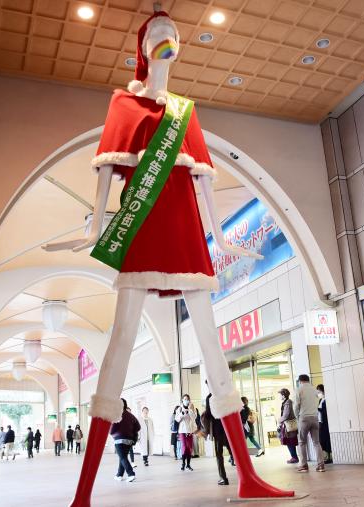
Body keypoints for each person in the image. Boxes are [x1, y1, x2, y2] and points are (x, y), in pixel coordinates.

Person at [50, 11, 293, 503]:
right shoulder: (124, 103)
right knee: (119, 344)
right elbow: (108, 168)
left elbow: (202, 176)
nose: (169, 38)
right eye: (159, 34)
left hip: (186, 233)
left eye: (175, 34)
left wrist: (219, 238)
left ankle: (248, 477)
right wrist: (96, 227)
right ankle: (82, 492)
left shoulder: (186, 110)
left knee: (213, 347)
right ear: (142, 48)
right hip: (144, 230)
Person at [294, 374, 325, 473]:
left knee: (302, 442)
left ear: (300, 381)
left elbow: (296, 406)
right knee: (316, 442)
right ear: (308, 380)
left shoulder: (299, 390)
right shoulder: (315, 390)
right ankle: (321, 465)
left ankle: (303, 465)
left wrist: (297, 417)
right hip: (315, 418)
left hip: (304, 417)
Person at [203, 393, 233, 486]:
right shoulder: (224, 396)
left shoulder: (210, 398)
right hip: (228, 429)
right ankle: (245, 474)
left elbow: (207, 415)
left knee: (219, 455)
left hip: (218, 430)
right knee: (233, 452)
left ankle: (223, 478)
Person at [110, 398, 141, 482]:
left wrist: (112, 433)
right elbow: (138, 427)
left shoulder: (117, 414)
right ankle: (119, 475)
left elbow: (112, 429)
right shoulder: (131, 415)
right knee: (123, 457)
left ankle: (131, 474)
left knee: (123, 457)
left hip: (119, 439)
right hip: (129, 440)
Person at [175, 394, 197, 471]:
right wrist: (182, 414)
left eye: (187, 399)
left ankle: (188, 465)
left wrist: (190, 410)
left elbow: (194, 418)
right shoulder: (179, 409)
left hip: (190, 430)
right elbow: (177, 419)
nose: (186, 400)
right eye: (185, 399)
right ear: (182, 400)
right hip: (182, 431)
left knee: (189, 448)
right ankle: (183, 464)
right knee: (184, 447)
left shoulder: (192, 407)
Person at [278, 388, 298, 464]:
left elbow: (286, 415)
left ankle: (294, 457)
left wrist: (279, 420)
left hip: (289, 425)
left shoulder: (288, 403)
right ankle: (294, 457)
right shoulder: (286, 402)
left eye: (280, 395)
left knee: (290, 441)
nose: (279, 396)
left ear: (283, 395)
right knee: (289, 441)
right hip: (287, 424)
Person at [317, 384, 332, 464]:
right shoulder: (321, 400)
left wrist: (318, 409)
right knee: (322, 440)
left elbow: (326, 411)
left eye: (319, 391)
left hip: (326, 423)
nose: (318, 393)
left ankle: (329, 457)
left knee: (326, 440)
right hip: (321, 422)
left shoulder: (327, 399)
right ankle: (326, 456)